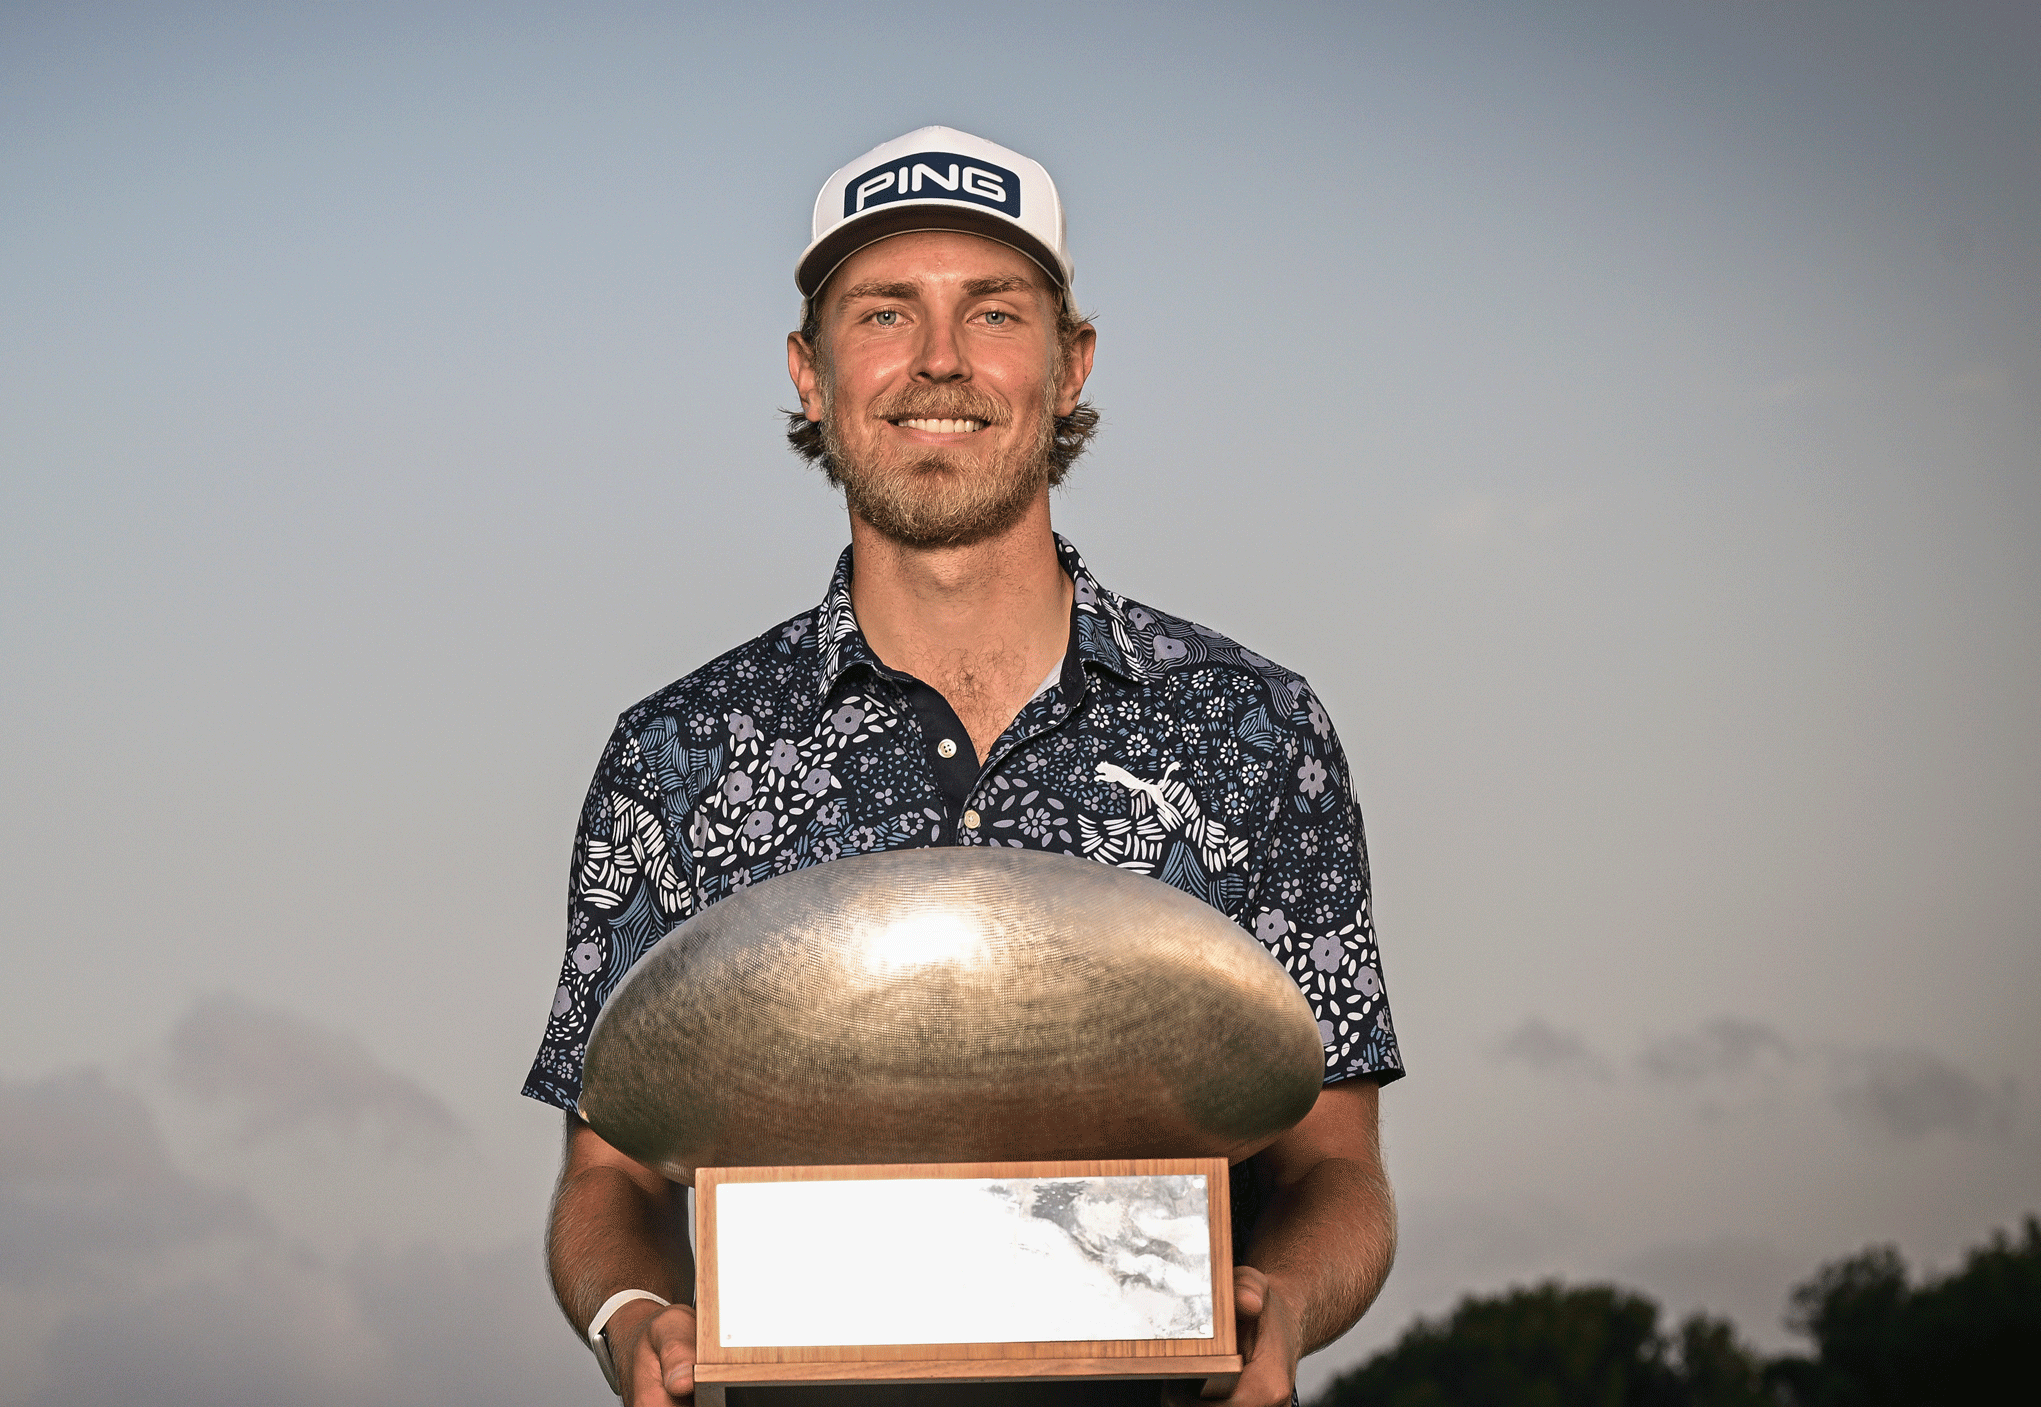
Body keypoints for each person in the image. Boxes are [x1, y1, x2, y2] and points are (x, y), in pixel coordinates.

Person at [523, 126, 1404, 1407]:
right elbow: (606, 1177)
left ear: (1069, 362)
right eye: (885, 312)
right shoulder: (677, 755)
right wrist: (631, 1316)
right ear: (810, 372)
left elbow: (1338, 1167)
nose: (939, 360)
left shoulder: (1252, 729)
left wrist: (1286, 1311)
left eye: (992, 312)